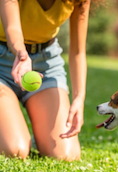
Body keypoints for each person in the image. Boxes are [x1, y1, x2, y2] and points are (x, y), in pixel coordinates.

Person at [0, 0, 97, 161]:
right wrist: (21, 54)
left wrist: (79, 98)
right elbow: (13, 28)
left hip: (46, 64)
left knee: (65, 155)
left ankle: (34, 136)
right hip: (6, 57)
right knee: (14, 150)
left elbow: (78, 52)